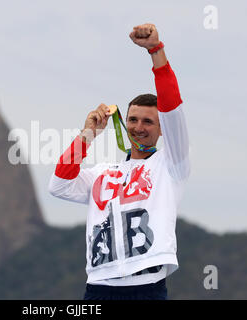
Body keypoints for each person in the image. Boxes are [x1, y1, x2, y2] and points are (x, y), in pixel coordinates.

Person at [48, 23, 190, 300]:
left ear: (162, 130)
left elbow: (172, 109)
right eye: (133, 119)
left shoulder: (171, 164)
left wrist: (155, 51)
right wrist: (88, 134)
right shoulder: (103, 172)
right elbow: (59, 185)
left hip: (146, 287)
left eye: (148, 121)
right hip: (99, 287)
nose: (139, 127)